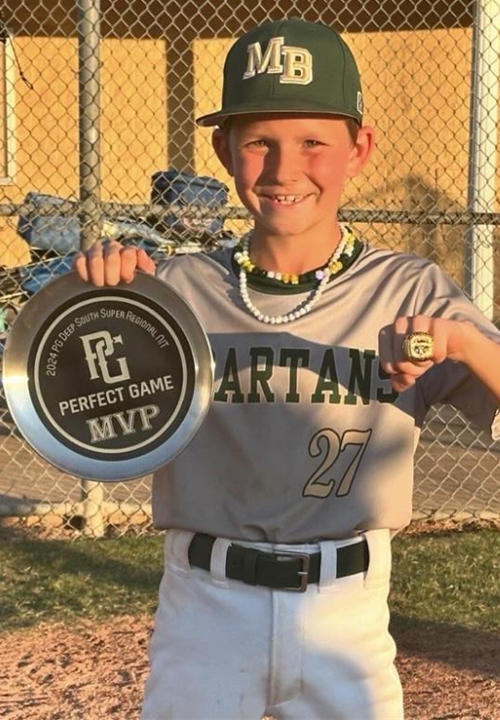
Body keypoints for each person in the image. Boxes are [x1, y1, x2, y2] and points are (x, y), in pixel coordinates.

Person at [75, 17, 500, 720]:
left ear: (359, 149)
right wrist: (96, 299)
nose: (283, 170)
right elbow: (72, 406)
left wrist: (460, 343)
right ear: (224, 149)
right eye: (259, 143)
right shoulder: (175, 292)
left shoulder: (408, 290)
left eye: (313, 143)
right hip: (205, 604)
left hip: (347, 609)